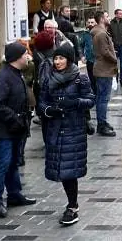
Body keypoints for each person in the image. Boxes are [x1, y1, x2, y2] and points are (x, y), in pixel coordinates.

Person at [37, 43, 95, 227]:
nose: (58, 61)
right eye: (56, 58)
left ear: (69, 60)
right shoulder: (48, 79)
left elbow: (91, 100)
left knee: (69, 170)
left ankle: (72, 206)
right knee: (61, 169)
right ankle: (72, 204)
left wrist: (74, 102)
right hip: (54, 129)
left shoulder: (80, 78)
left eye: (61, 58)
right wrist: (49, 110)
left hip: (73, 129)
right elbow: (41, 102)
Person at [0, 42, 37, 218]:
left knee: (14, 162)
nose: (28, 57)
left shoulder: (17, 74)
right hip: (5, 130)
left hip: (16, 128)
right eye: (25, 54)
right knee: (3, 164)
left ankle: (14, 194)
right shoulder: (3, 77)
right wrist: (14, 119)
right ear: (17, 57)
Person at [90, 11, 117, 137]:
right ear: (101, 19)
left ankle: (103, 122)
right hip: (103, 70)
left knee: (102, 98)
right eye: (107, 16)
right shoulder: (100, 34)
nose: (109, 18)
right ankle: (101, 124)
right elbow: (105, 52)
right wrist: (115, 59)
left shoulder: (101, 32)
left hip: (104, 69)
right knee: (102, 99)